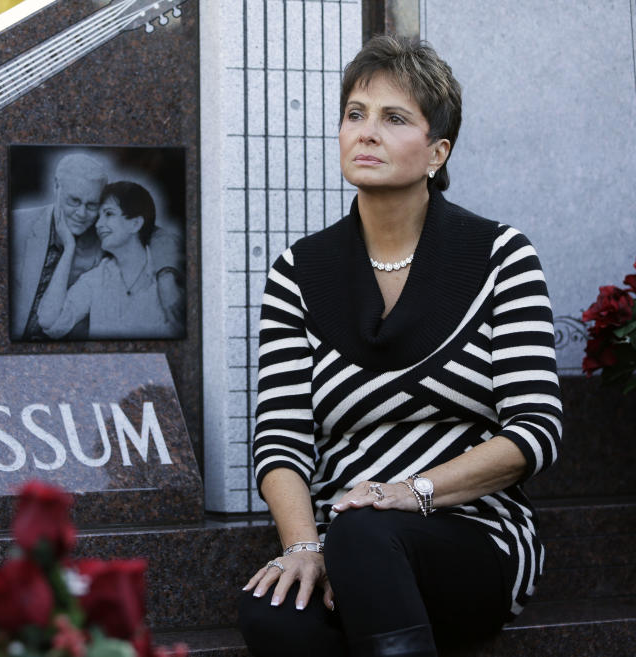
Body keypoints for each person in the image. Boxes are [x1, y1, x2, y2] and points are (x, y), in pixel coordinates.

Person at [236, 35, 562, 657]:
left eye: (394, 118)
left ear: (438, 151)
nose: (366, 132)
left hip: (471, 534)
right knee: (275, 616)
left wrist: (408, 492)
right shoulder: (298, 271)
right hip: (345, 538)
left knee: (365, 535)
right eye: (355, 114)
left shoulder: (499, 257)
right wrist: (304, 547)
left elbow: (534, 431)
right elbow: (280, 440)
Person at [10, 154, 184, 340]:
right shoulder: (17, 225)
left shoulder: (104, 231)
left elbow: (160, 235)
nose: (82, 213)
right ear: (56, 187)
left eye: (92, 205)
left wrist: (166, 277)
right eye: (73, 201)